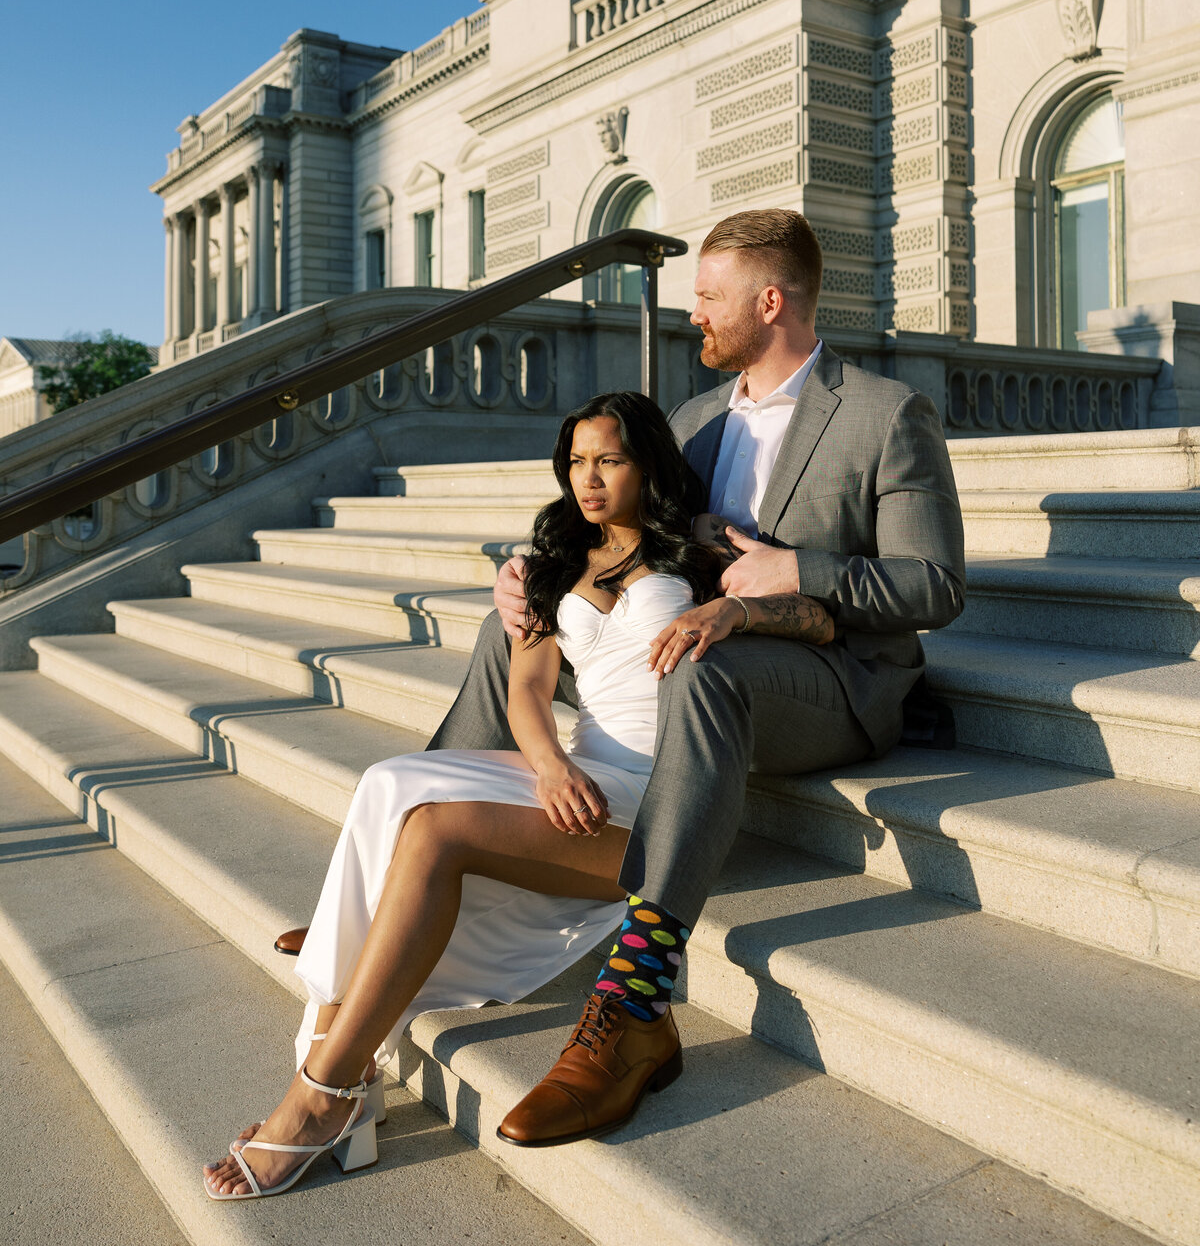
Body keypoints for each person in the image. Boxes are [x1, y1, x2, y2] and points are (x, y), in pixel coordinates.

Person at [202, 389, 834, 1198]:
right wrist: (549, 767)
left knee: (432, 832)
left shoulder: (702, 548)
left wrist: (734, 610)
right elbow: (529, 695)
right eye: (576, 462)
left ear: (647, 463)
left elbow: (819, 619)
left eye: (609, 460)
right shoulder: (556, 562)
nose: (589, 480)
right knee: (388, 780)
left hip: (659, 805)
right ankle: (338, 1080)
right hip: (579, 773)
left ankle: (319, 1096)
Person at [429, 206, 965, 1140]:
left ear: (770, 299)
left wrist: (797, 570)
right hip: (687, 652)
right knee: (506, 632)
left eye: (709, 298)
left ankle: (636, 1002)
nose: (693, 317)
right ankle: (427, 878)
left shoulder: (885, 413)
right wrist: (531, 572)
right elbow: (619, 531)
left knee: (702, 675)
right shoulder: (696, 419)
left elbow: (935, 584)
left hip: (830, 682)